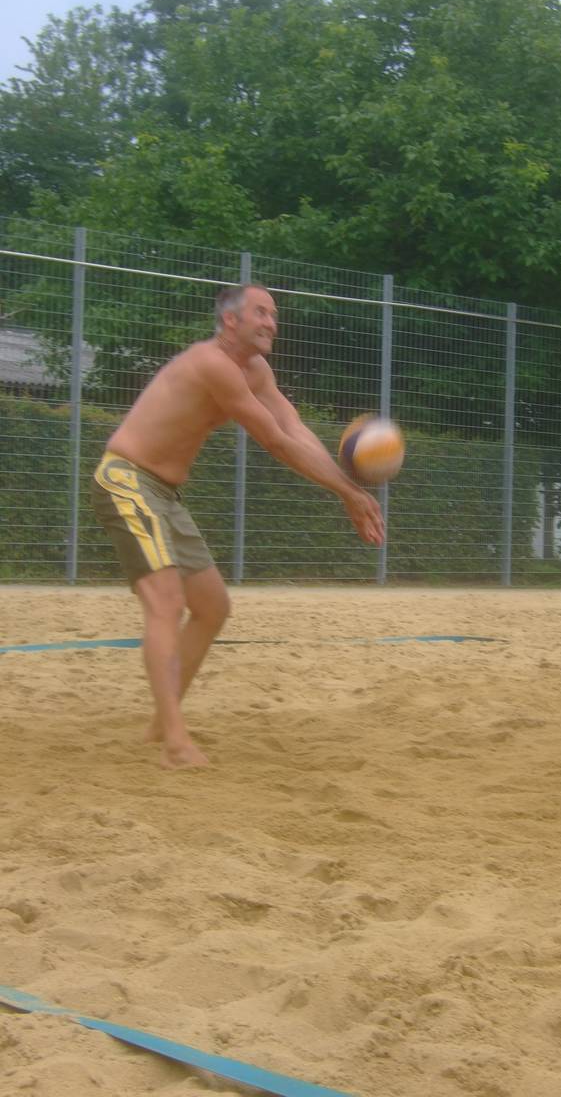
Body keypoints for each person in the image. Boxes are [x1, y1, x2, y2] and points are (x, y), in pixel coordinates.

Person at [91, 283, 385, 770]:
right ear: (231, 320)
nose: (272, 322)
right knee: (166, 603)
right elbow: (274, 442)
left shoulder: (256, 370)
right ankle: (176, 743)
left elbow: (293, 428)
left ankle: (161, 725)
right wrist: (349, 493)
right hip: (126, 480)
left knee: (212, 608)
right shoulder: (212, 364)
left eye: (273, 314)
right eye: (260, 312)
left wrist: (347, 488)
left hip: (164, 493)